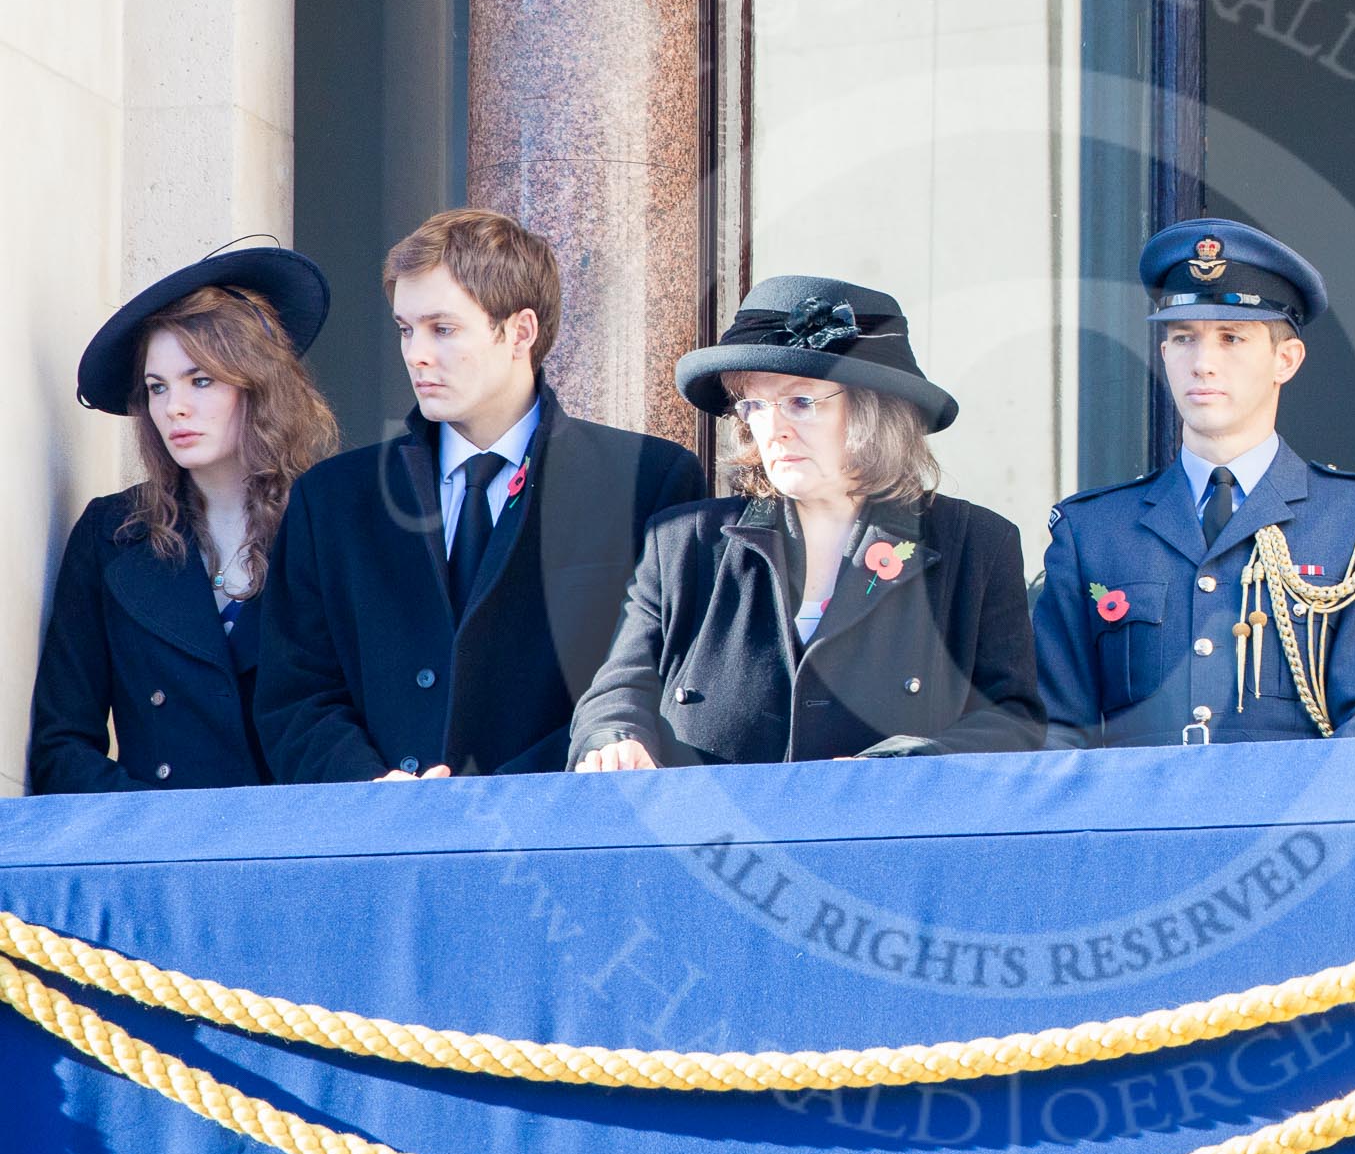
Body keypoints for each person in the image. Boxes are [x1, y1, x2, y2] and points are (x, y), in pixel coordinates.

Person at [256, 208, 707, 781]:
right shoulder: (332, 498)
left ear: (520, 331)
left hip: (560, 834)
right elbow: (295, 693)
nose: (416, 353)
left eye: (442, 329)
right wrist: (367, 787)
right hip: (380, 841)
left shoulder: (650, 480)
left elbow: (660, 678)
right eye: (405, 328)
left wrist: (496, 797)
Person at [568, 276, 1043, 769]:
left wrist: (904, 767)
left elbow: (1011, 722)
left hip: (883, 839)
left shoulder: (976, 545)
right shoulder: (683, 544)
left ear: (874, 411)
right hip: (711, 843)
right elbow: (617, 691)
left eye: (801, 402)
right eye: (754, 404)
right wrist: (615, 741)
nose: (773, 429)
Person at [1032, 218, 1355, 747]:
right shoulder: (1093, 530)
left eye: (1231, 338)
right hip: (1135, 828)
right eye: (1183, 339)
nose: (1203, 363)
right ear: (1164, 354)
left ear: (1285, 360)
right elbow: (1055, 736)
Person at [31, 247, 339, 792]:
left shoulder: (332, 525)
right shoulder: (113, 534)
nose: (174, 407)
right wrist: (157, 829)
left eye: (200, 381)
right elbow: (61, 747)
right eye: (157, 387)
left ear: (258, 384)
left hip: (302, 850)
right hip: (163, 855)